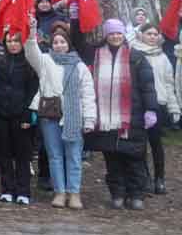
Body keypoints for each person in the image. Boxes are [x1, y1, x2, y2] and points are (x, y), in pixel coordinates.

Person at [75, 18, 158, 209]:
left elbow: (148, 86)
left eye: (118, 33)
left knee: (134, 158)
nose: (115, 36)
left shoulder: (137, 57)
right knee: (112, 159)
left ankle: (136, 194)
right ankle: (118, 193)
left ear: (124, 34)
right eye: (111, 33)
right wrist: (76, 19)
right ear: (106, 35)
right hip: (105, 118)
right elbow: (78, 43)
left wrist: (151, 109)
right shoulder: (95, 54)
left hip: (132, 117)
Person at [24, 20, 94, 209]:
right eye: (55, 42)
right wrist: (31, 31)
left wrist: (89, 119)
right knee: (54, 156)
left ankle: (74, 192)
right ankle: (60, 192)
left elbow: (88, 94)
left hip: (73, 117)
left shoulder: (80, 66)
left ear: (68, 44)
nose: (59, 45)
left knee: (74, 156)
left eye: (62, 42)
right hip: (50, 116)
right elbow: (31, 52)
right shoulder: (45, 61)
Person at [0, 30, 39, 205]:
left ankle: (23, 190)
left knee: (22, 155)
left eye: (16, 41)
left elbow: (33, 90)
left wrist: (28, 114)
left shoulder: (29, 63)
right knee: (4, 153)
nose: (13, 44)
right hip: (2, 113)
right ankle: (7, 189)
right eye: (9, 41)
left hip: (22, 114)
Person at [130, 23, 176, 195]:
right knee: (139, 144)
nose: (152, 37)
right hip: (139, 105)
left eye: (155, 34)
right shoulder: (134, 54)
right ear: (140, 35)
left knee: (156, 144)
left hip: (158, 104)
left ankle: (159, 179)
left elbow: (169, 83)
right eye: (149, 33)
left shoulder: (162, 57)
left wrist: (173, 107)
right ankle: (144, 179)